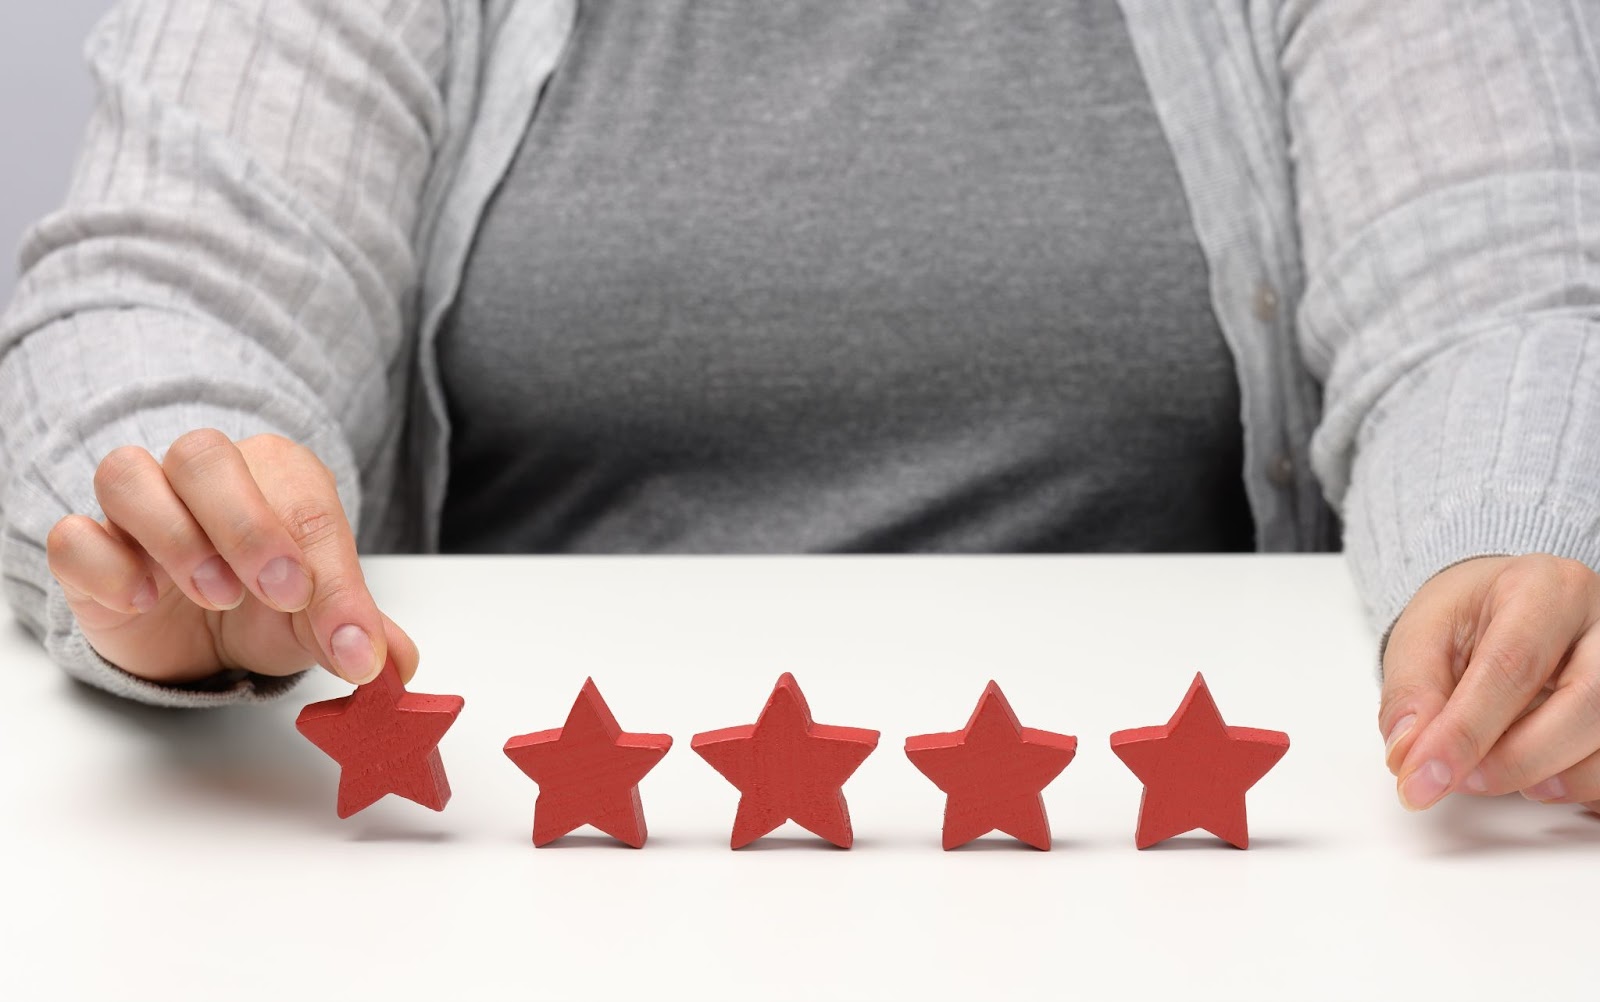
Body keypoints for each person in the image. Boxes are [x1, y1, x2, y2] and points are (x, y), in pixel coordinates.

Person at [0, 0, 1596, 818]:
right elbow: (170, 289)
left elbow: (1501, 293)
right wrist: (197, 527)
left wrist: (1507, 549)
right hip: (510, 860)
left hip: (1173, 873)